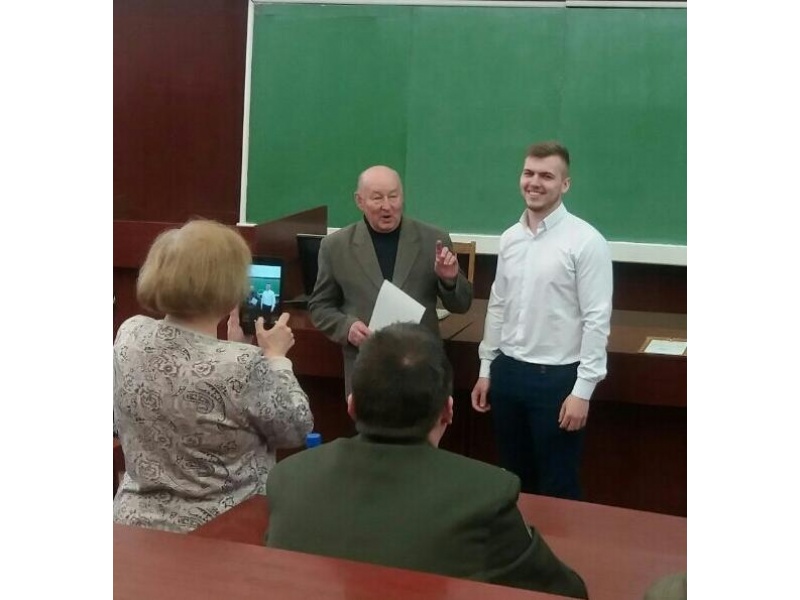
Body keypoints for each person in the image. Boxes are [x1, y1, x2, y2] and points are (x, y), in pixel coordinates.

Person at [265, 323, 588, 598]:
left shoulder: (289, 477)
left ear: (352, 406)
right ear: (448, 410)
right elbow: (567, 591)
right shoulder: (485, 495)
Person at [113, 219, 313, 533]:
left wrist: (234, 349)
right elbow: (295, 428)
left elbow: (185, 364)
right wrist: (276, 359)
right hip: (221, 533)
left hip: (132, 530)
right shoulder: (245, 364)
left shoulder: (130, 333)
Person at [471, 141, 613, 500]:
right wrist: (487, 369)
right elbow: (498, 305)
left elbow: (597, 319)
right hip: (508, 373)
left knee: (558, 487)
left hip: (557, 381)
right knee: (513, 483)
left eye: (547, 176)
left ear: (565, 184)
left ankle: (558, 541)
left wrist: (583, 391)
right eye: (528, 173)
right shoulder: (510, 238)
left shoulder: (586, 241)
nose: (534, 182)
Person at [308, 165, 472, 396]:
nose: (387, 206)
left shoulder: (433, 240)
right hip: (367, 369)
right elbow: (320, 306)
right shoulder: (335, 247)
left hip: (422, 368)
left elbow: (462, 304)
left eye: (393, 196)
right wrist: (347, 327)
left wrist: (450, 280)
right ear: (359, 201)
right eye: (377, 198)